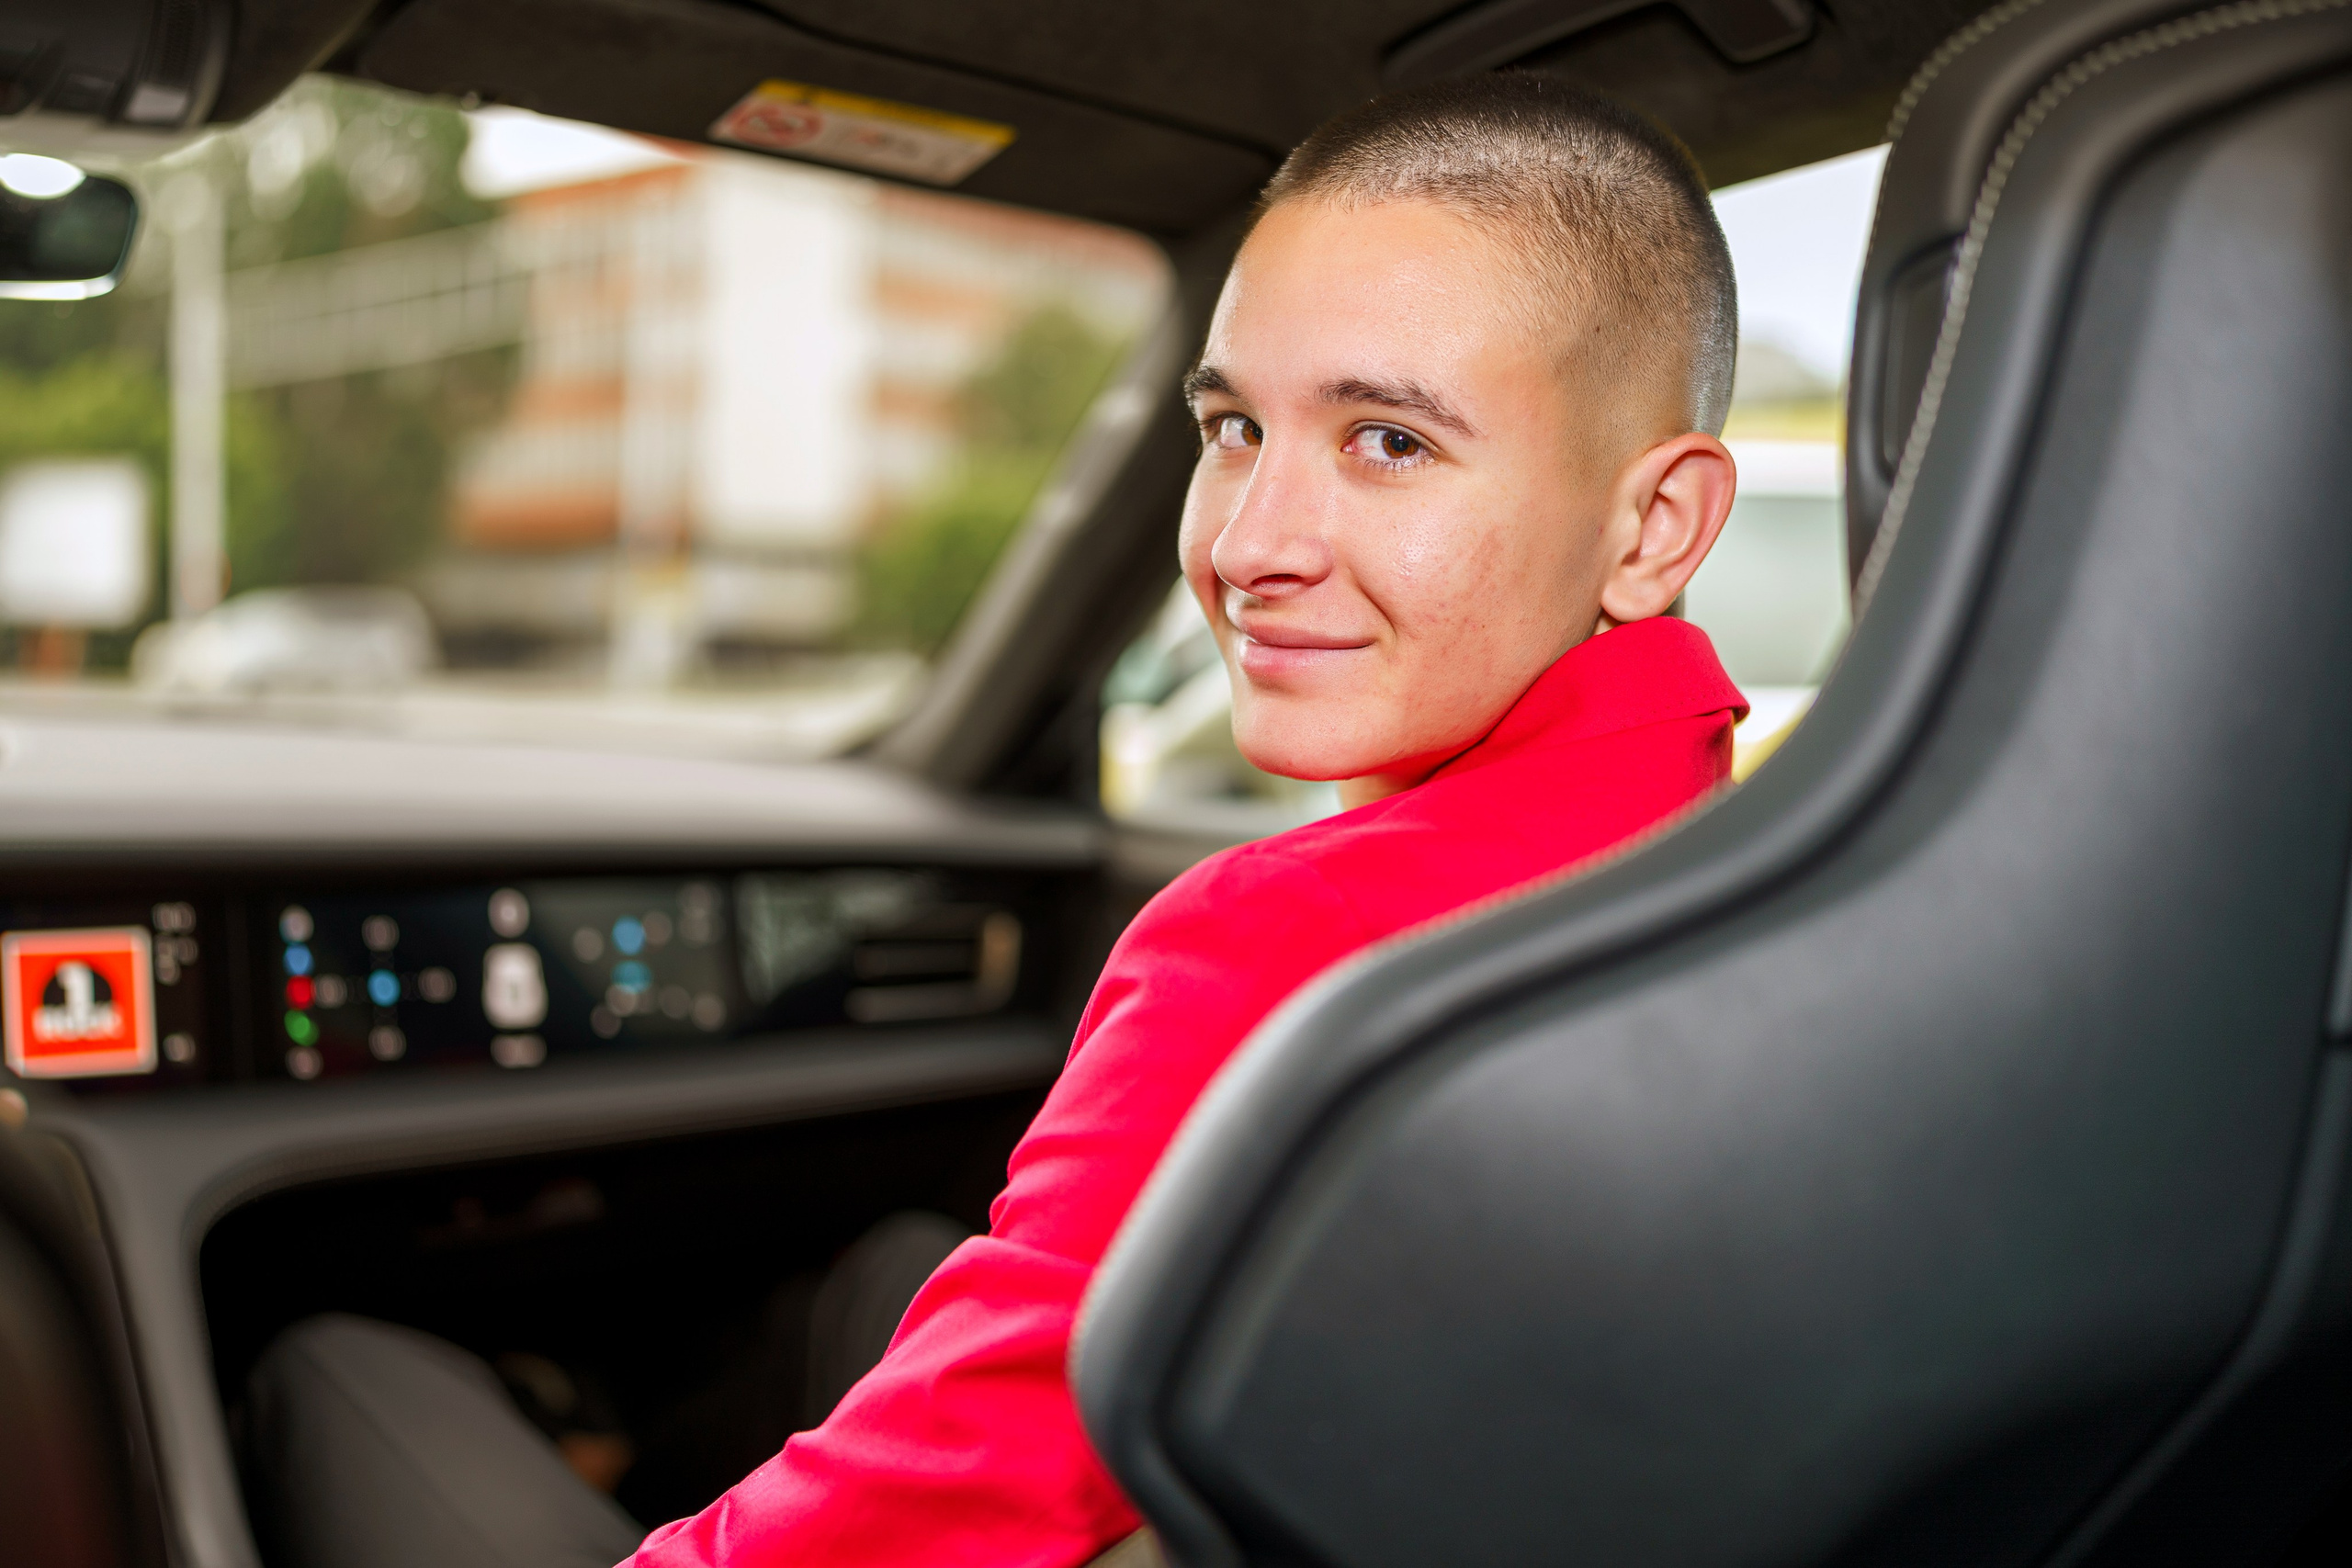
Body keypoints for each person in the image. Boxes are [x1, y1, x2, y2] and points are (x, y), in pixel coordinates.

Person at [246, 72, 1748, 1568]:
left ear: (1654, 525)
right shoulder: (1760, 874)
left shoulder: (1284, 943)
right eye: (1233, 429)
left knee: (335, 1372)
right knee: (880, 1288)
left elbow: (925, 1509)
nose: (1245, 545)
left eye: (1389, 442)